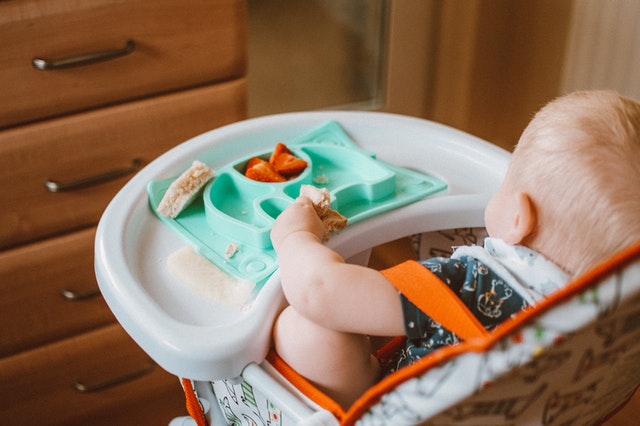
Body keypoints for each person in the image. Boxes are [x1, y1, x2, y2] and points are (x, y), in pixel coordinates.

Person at [270, 90, 640, 409]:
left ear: (517, 218)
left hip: (396, 410)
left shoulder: (475, 287)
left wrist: (293, 237)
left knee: (304, 330)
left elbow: (320, 290)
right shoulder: (603, 330)